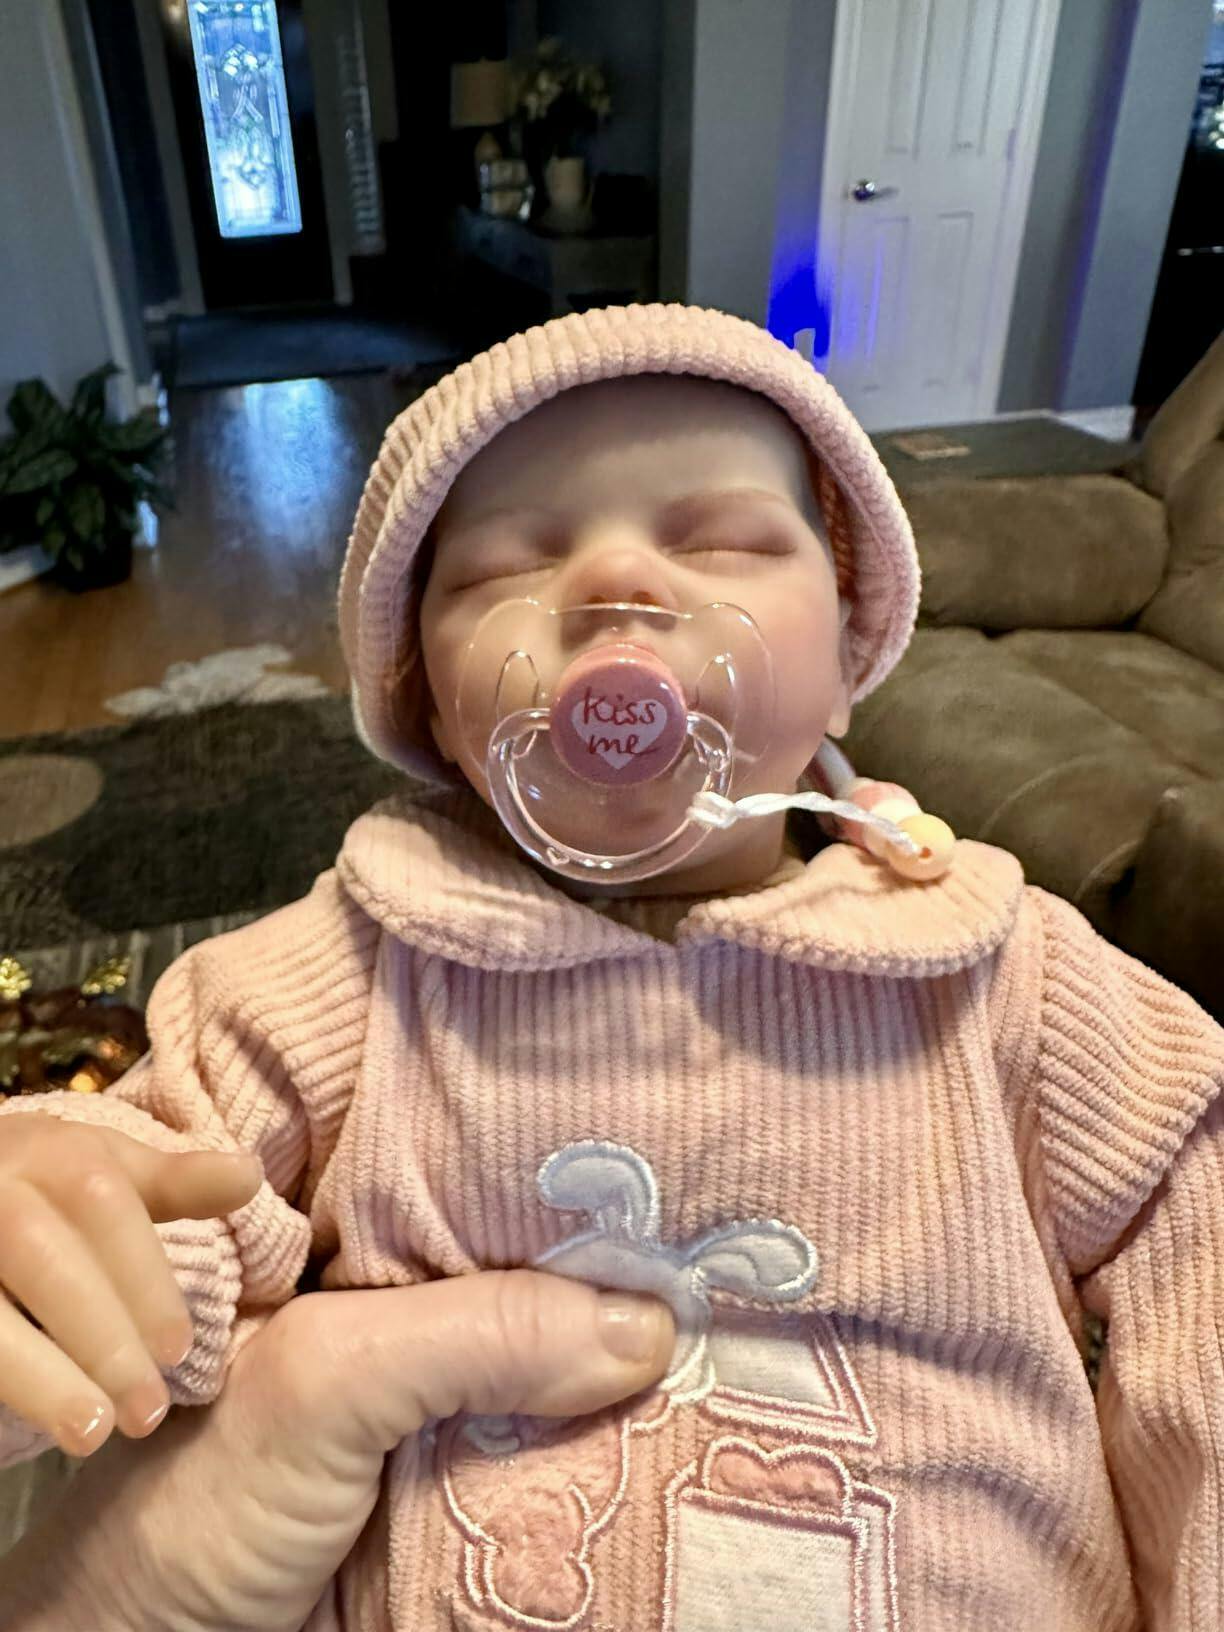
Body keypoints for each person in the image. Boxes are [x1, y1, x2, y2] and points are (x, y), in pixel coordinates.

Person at [1, 304, 1222, 1630]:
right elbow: (159, 1211)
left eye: (725, 539)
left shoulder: (1001, 972)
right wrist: (68, 1226)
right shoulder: (340, 978)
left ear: (849, 656)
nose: (614, 583)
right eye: (505, 566)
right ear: (432, 711)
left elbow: (1197, 1224)